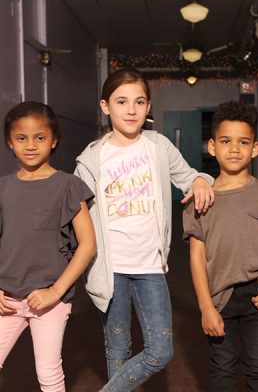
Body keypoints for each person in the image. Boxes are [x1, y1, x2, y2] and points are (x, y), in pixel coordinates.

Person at [74, 68, 214, 391]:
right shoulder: (91, 160)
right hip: (110, 269)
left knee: (160, 351)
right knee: (118, 349)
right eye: (121, 101)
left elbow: (189, 176)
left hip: (150, 266)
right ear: (105, 106)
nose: (131, 110)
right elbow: (76, 217)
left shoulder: (158, 146)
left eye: (139, 102)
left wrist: (200, 181)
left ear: (149, 107)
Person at [183, 100, 258, 392]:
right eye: (225, 141)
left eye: (243, 142)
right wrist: (206, 307)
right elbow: (196, 258)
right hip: (220, 297)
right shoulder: (200, 201)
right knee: (222, 366)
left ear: (255, 148)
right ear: (212, 146)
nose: (234, 149)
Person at [0, 101, 96, 392]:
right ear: (10, 142)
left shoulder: (68, 186)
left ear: (54, 140)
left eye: (40, 137)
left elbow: (88, 245)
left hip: (50, 300)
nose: (30, 145)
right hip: (7, 300)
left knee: (48, 372)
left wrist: (55, 291)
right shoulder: (2, 188)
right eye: (21, 137)